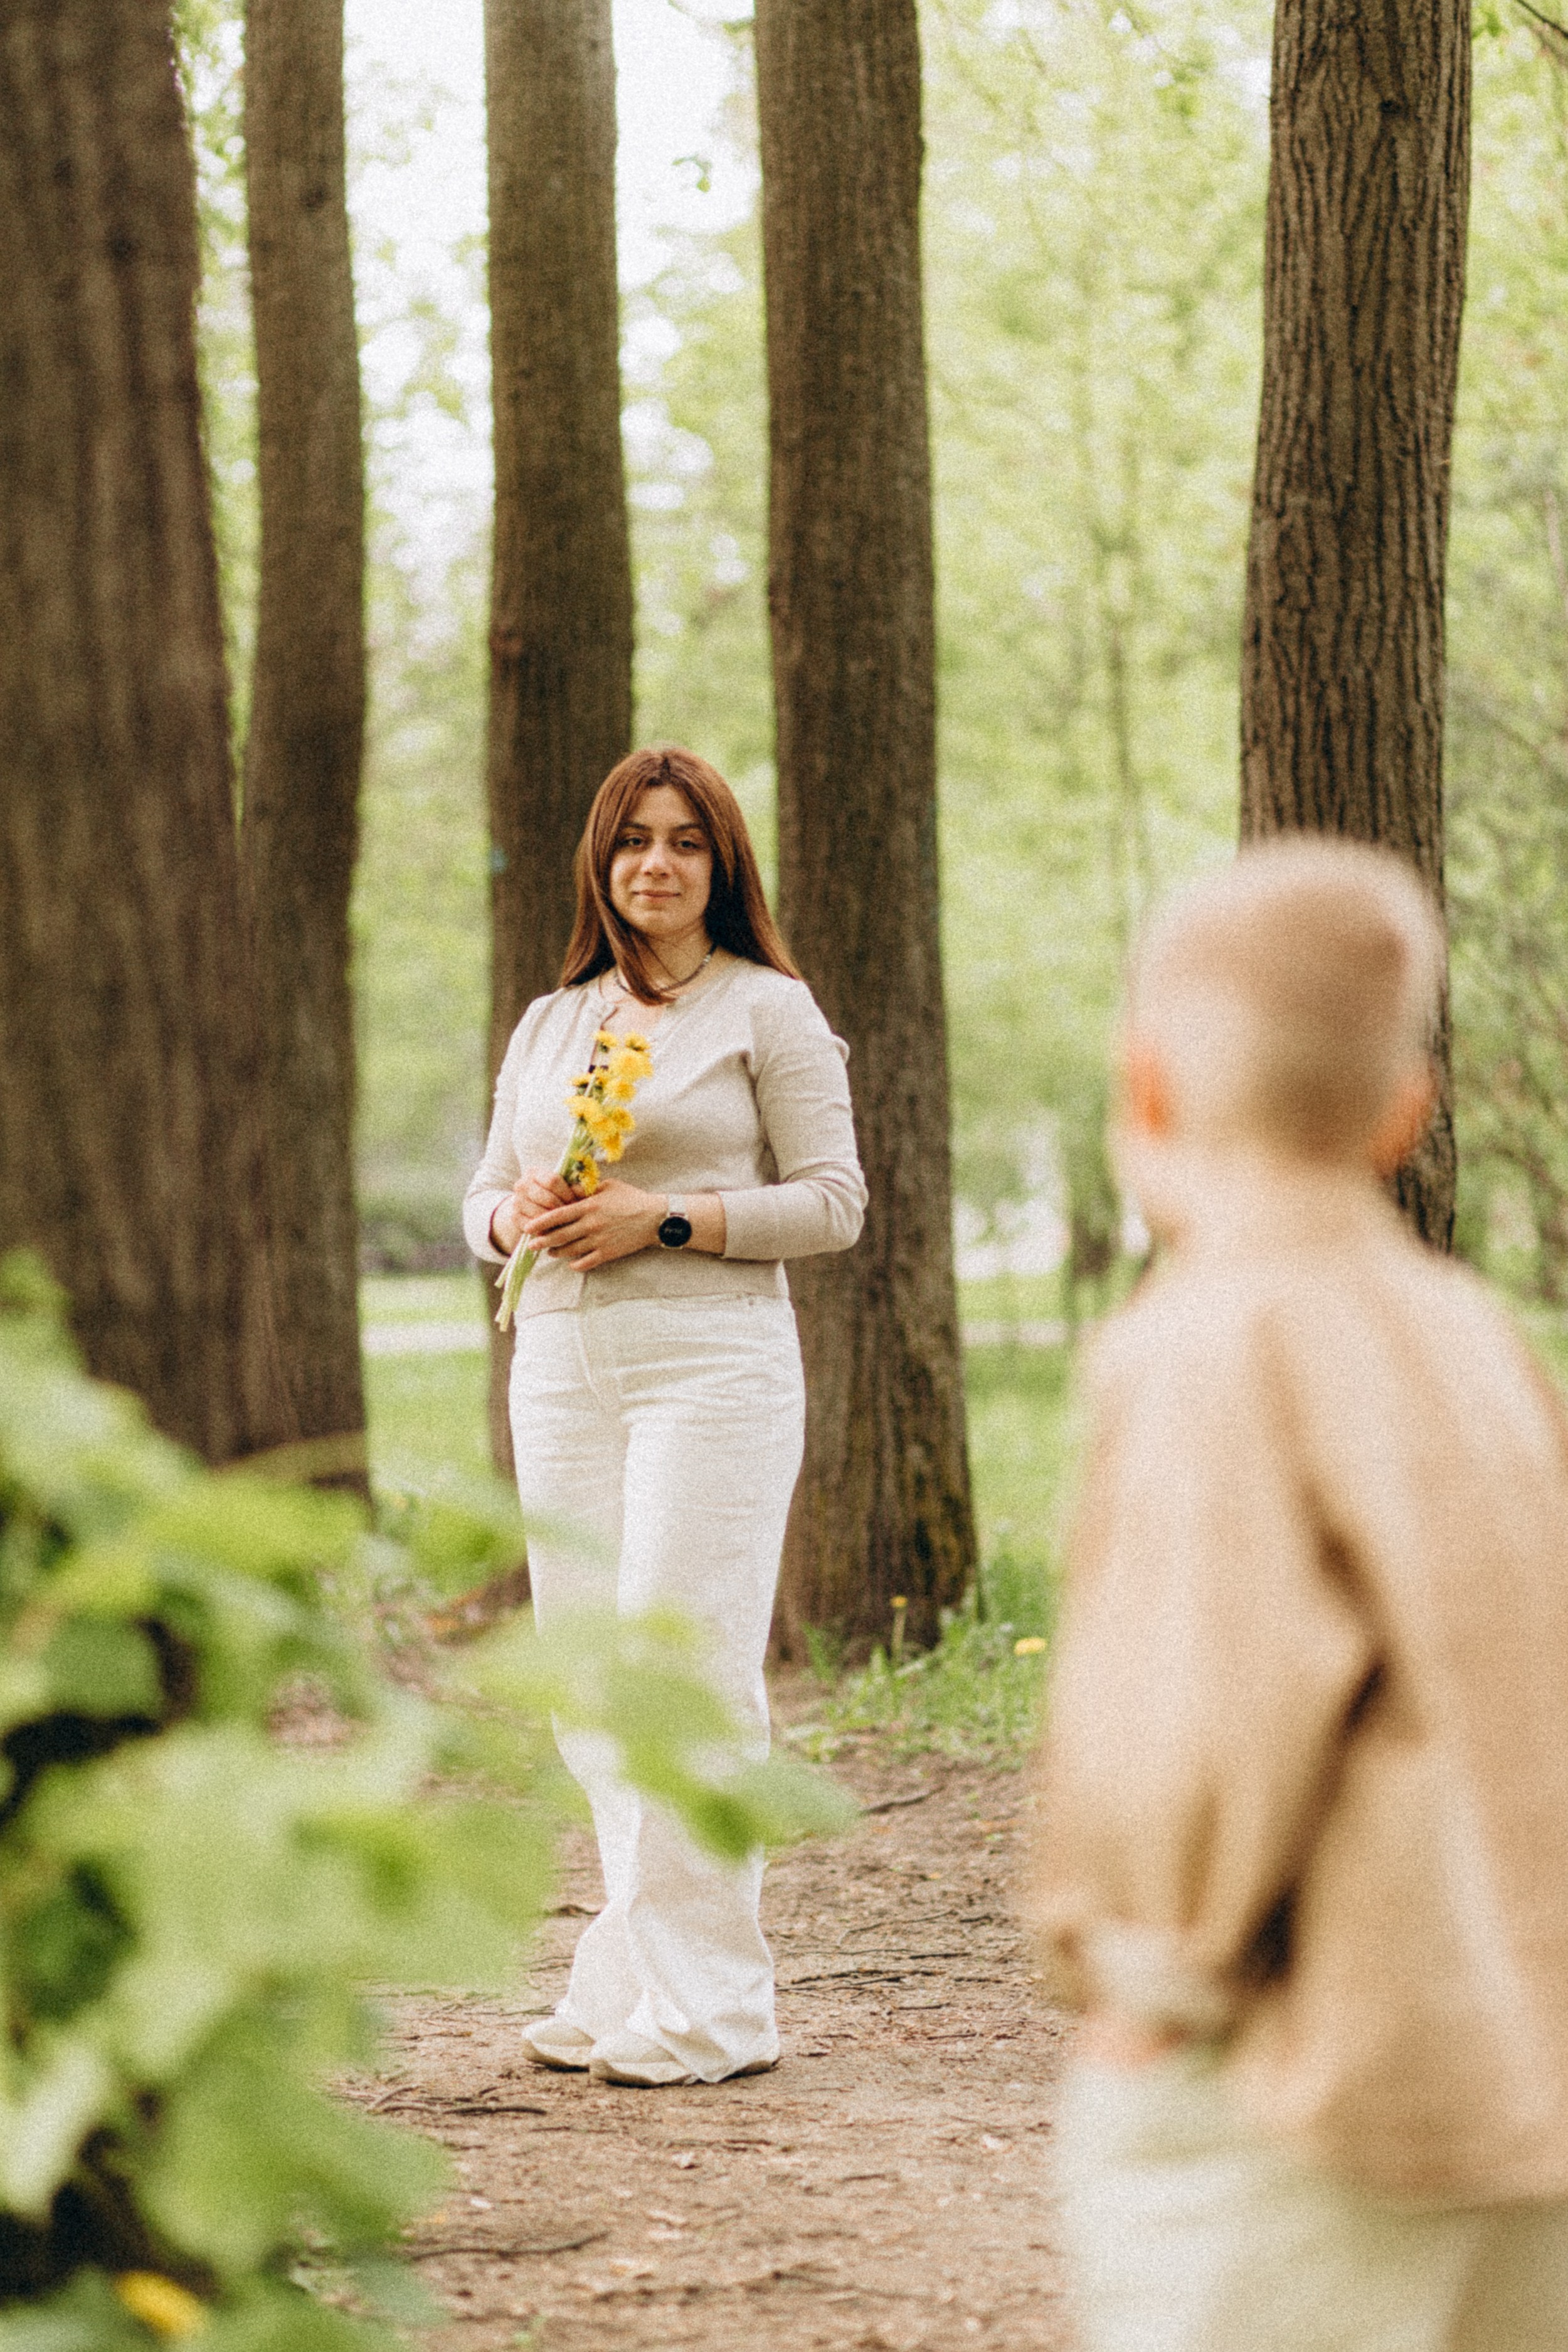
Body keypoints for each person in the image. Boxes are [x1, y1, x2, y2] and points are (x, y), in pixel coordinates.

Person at [1030, 836, 1568, 2352]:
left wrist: (1148, 1977)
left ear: (1143, 1092)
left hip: (1311, 2098)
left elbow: (1198, 1705)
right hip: (1521, 2074)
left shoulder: (1202, 1339)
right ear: (1405, 1113)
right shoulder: (1474, 1334)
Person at [464, 743, 866, 2090]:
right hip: (563, 1362)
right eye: (634, 839)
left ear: (721, 864)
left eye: (685, 841)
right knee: (592, 1687)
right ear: (600, 860)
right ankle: (632, 1973)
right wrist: (508, 1216)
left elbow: (833, 1202)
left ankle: (714, 2011)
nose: (657, 862)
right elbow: (483, 1194)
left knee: (687, 1681)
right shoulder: (550, 1019)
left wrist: (669, 1218)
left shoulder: (769, 1012)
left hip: (711, 1364)